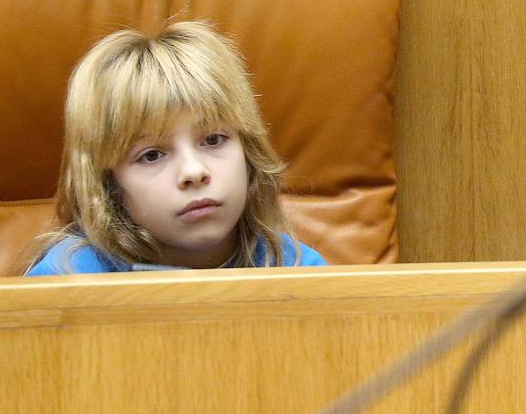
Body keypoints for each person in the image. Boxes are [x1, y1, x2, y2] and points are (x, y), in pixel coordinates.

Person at [26, 20, 327, 273]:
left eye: (213, 139)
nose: (194, 171)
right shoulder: (67, 279)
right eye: (152, 155)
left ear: (249, 152)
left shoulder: (296, 268)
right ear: (108, 183)